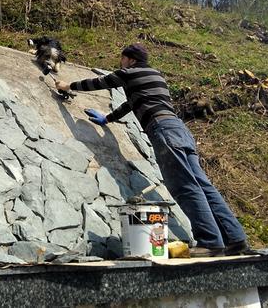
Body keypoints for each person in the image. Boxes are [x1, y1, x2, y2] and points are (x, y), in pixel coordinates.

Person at [55, 43, 249, 257]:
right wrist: (108, 118)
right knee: (203, 185)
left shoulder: (128, 73)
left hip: (162, 130)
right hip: (180, 130)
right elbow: (130, 104)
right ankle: (235, 239)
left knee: (185, 186)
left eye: (122, 59)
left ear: (130, 59)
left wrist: (68, 86)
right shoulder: (155, 75)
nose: (120, 63)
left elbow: (99, 82)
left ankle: (211, 243)